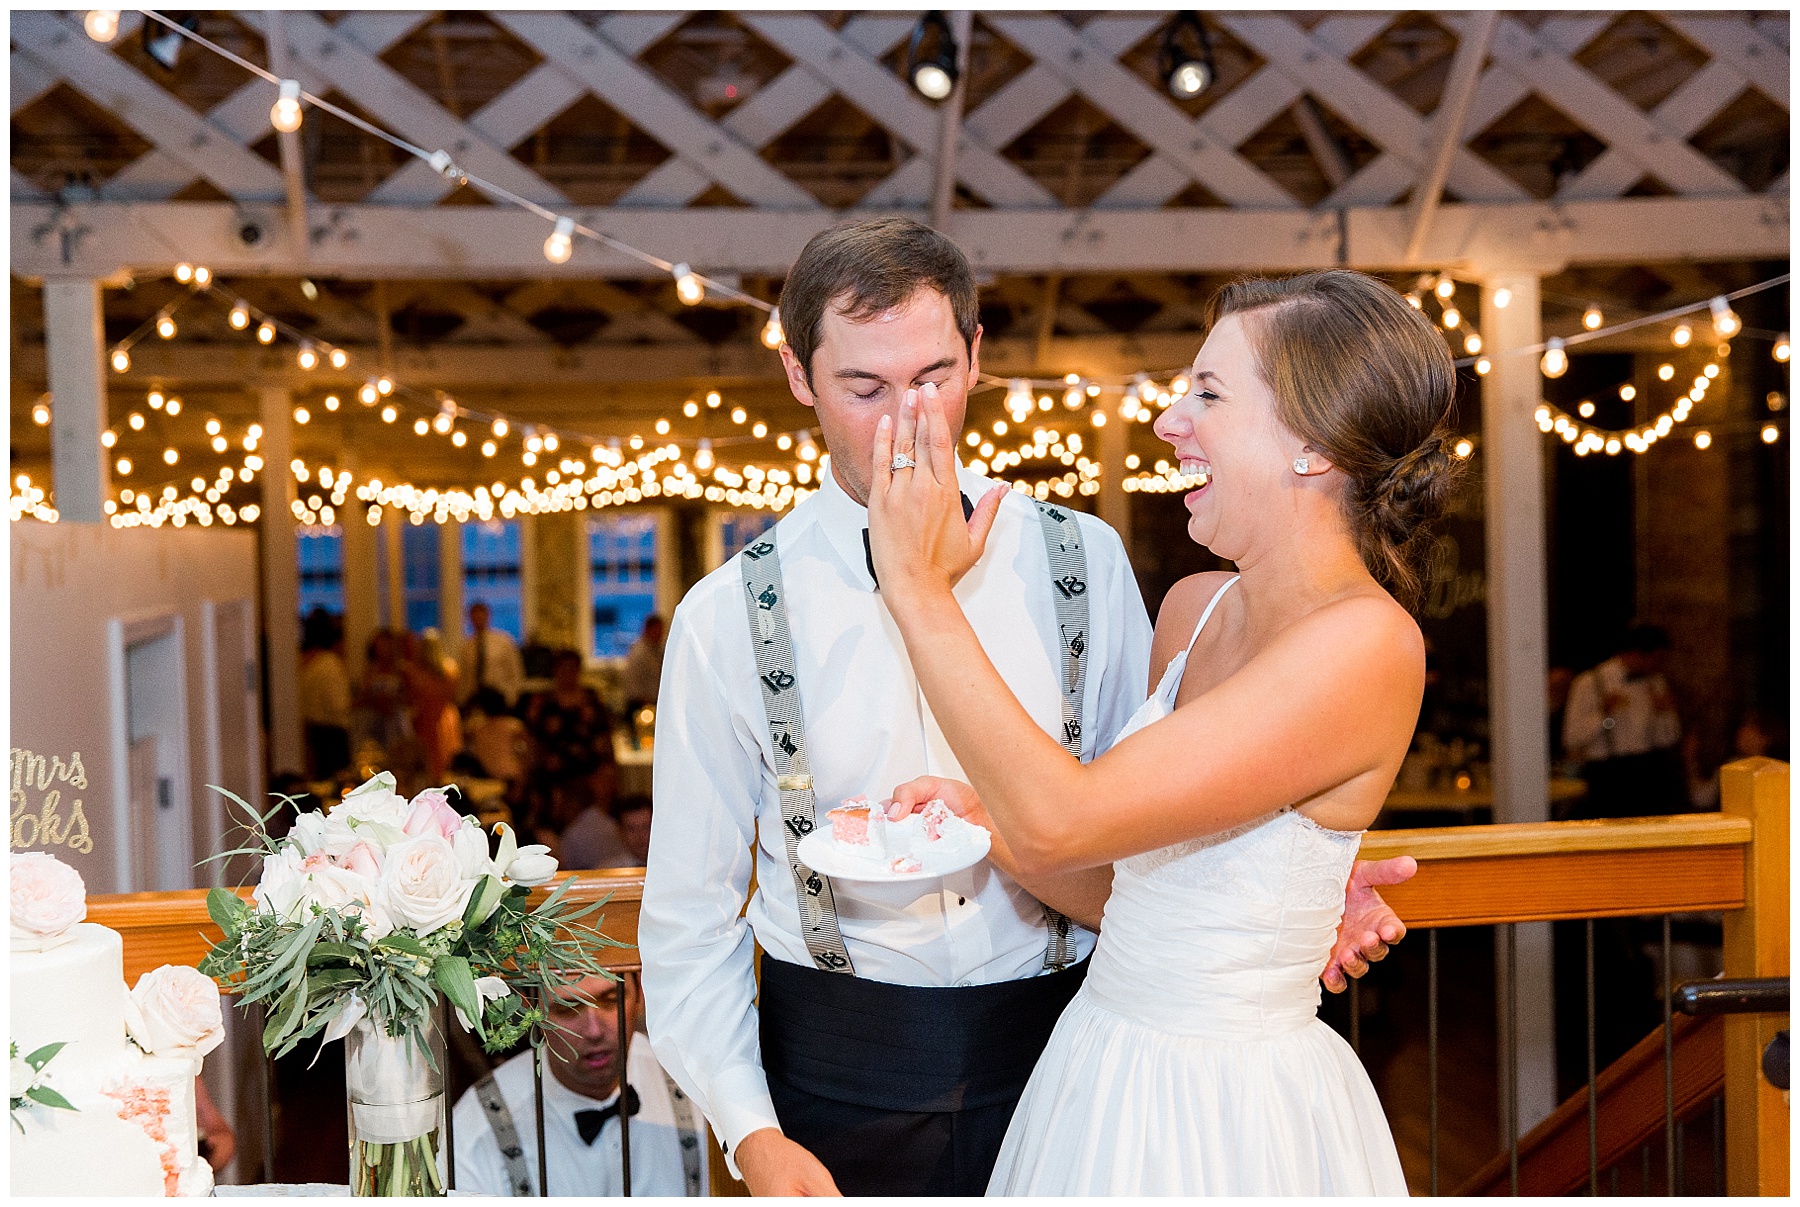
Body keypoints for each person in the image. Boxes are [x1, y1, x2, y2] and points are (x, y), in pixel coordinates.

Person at [639, 220, 1412, 1198]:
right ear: (799, 375)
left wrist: (1278, 897)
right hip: (837, 1075)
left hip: (1068, 1051)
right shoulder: (724, 618)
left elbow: (1155, 816)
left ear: (976, 353)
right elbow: (689, 920)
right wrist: (752, 1135)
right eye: (863, 388)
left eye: (930, 378)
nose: (903, 422)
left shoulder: (1082, 560)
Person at [865, 268, 1448, 1194]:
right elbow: (1117, 888)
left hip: (1228, 1112)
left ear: (1311, 444)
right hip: (1098, 1072)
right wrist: (981, 817)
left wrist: (918, 590)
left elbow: (1066, 815)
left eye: (1209, 394)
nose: (1172, 421)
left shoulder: (1369, 643)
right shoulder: (1192, 609)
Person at [451, 974, 706, 1197]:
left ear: (640, 991)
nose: (594, 1030)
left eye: (610, 1000)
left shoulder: (697, 1088)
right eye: (567, 1007)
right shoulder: (473, 1132)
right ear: (532, 1008)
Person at [1562, 623, 1685, 818]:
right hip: (1607, 776)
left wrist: (1665, 714)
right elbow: (1572, 739)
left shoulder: (1655, 681)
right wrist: (1605, 716)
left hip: (1648, 772)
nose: (1660, 665)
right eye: (1658, 659)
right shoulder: (1589, 683)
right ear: (1637, 654)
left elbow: (1670, 738)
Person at [520, 650, 618, 825]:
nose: (567, 674)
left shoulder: (591, 700)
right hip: (555, 773)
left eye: (572, 669)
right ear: (555, 671)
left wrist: (612, 769)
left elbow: (605, 736)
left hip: (590, 769)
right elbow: (533, 742)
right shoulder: (544, 704)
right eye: (563, 669)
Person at [298, 608, 352, 780]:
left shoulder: (305, 662)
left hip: (312, 732)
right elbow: (338, 706)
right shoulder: (330, 664)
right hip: (332, 738)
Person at [458, 602, 526, 709]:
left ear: (487, 616)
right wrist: (462, 700)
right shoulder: (467, 647)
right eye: (475, 617)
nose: (478, 620)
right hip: (475, 701)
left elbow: (516, 672)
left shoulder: (503, 641)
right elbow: (464, 678)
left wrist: (511, 697)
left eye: (481, 616)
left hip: (500, 698)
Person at [622, 614, 665, 717]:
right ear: (648, 629)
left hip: (654, 703)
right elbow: (633, 682)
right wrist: (646, 702)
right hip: (641, 705)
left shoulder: (657, 651)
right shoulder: (639, 653)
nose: (660, 634)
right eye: (657, 630)